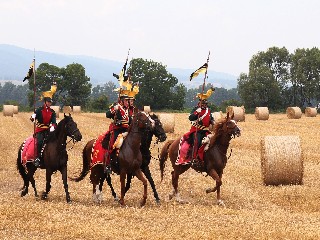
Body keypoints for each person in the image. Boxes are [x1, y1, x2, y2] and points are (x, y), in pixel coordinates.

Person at [30, 83, 57, 167]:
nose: (49, 103)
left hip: (48, 130)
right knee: (40, 142)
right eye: (48, 102)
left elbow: (54, 122)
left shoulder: (52, 112)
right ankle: (37, 158)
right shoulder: (39, 110)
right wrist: (33, 117)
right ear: (45, 102)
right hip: (40, 130)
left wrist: (53, 126)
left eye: (50, 102)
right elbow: (32, 118)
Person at [187, 87, 215, 164]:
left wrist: (212, 121)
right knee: (197, 142)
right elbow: (190, 118)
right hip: (197, 130)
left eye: (205, 104)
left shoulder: (208, 110)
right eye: (203, 103)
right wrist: (196, 113)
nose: (204, 105)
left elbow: (210, 118)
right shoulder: (196, 109)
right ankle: (194, 158)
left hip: (205, 131)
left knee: (213, 141)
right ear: (199, 103)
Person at [105, 89, 130, 171]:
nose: (128, 102)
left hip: (126, 130)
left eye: (128, 100)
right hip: (117, 130)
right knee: (113, 144)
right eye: (126, 100)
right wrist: (114, 109)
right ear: (122, 101)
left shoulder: (127, 109)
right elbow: (107, 114)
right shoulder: (116, 106)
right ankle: (108, 164)